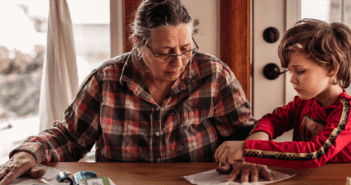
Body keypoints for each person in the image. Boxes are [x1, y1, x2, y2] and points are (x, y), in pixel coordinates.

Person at [0, 0, 272, 184]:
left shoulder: (213, 74)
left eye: (186, 48)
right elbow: (70, 136)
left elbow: (243, 132)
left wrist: (250, 152)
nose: (179, 62)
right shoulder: (106, 79)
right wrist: (28, 153)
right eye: (165, 52)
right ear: (138, 44)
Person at [215, 18, 351, 169]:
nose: (292, 79)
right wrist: (257, 139)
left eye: (300, 71)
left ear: (332, 69)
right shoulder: (305, 102)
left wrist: (249, 150)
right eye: (290, 71)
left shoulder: (346, 112)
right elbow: (274, 120)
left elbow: (315, 153)